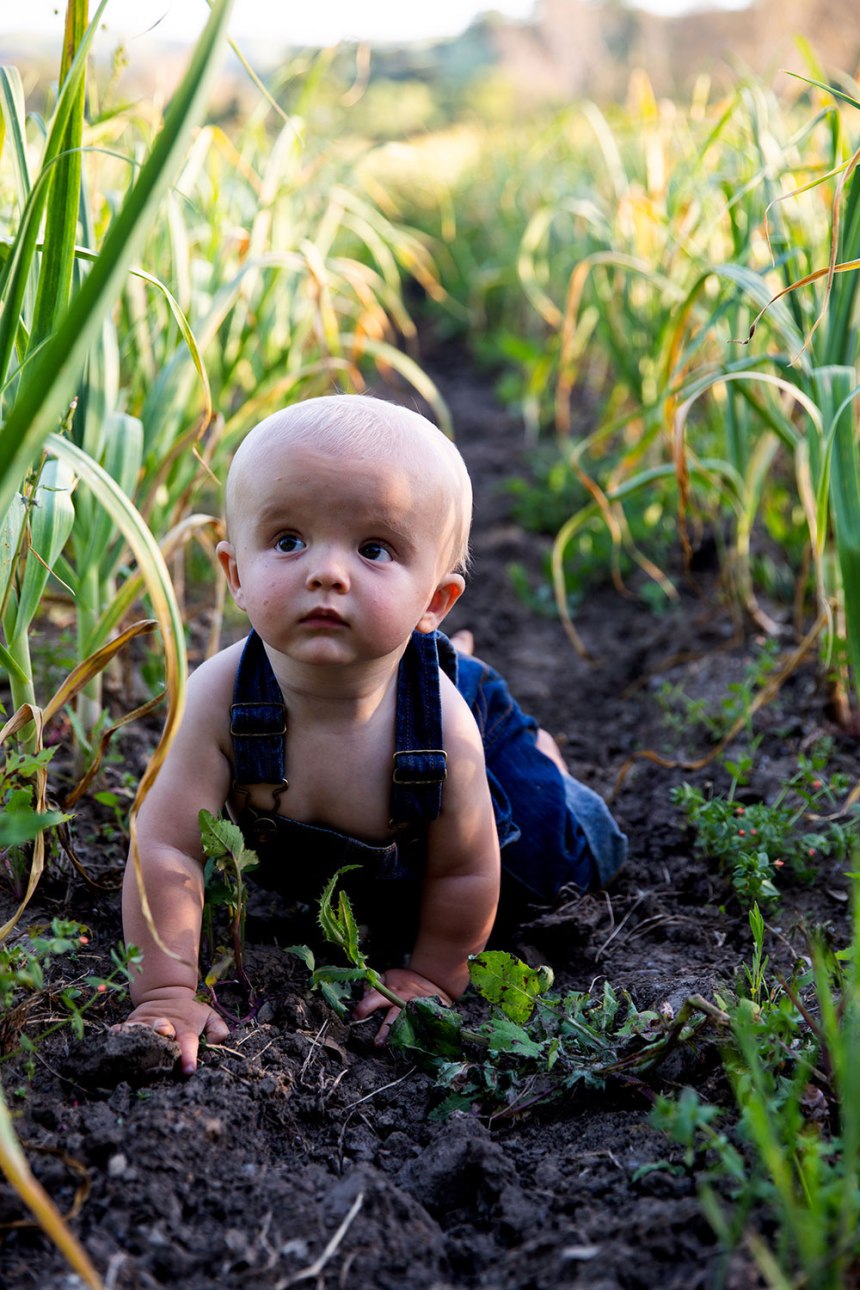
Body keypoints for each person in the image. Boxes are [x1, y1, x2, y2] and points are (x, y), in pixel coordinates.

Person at [121, 394, 626, 1074]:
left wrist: (434, 976)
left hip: (462, 739)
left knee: (559, 861)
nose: (326, 571)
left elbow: (464, 867)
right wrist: (166, 991)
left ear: (433, 603)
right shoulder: (218, 695)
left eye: (375, 548)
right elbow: (168, 847)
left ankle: (536, 750)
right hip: (369, 818)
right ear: (236, 575)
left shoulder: (443, 726)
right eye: (289, 540)